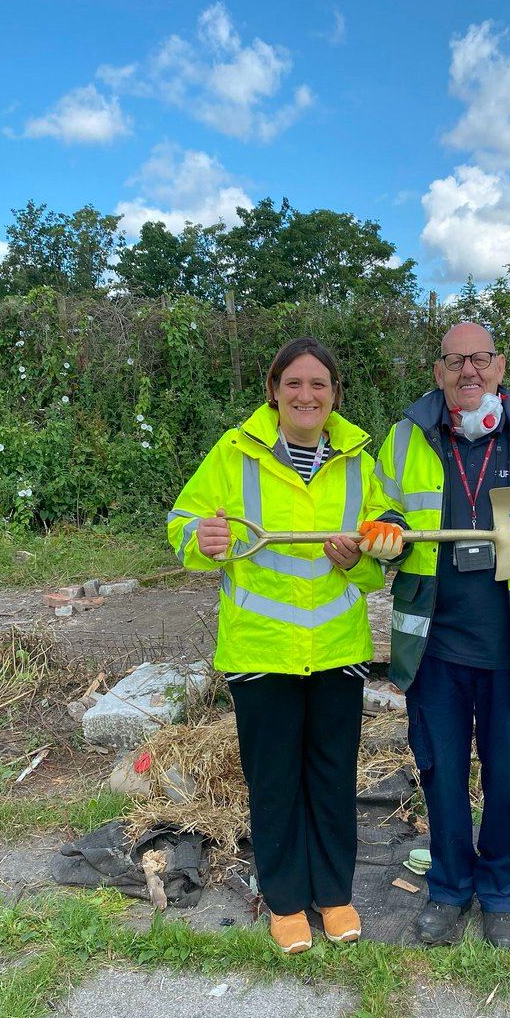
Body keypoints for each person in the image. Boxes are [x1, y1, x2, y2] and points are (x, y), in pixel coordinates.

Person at [167, 336, 401, 955]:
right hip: (260, 651)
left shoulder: (357, 460)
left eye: (318, 384)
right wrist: (205, 538)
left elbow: (383, 555)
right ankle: (287, 901)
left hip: (336, 649)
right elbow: (183, 526)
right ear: (273, 391)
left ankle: (335, 895)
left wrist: (364, 554)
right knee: (273, 781)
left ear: (334, 395)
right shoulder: (234, 453)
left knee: (331, 776)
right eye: (293, 383)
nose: (306, 394)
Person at [373, 322, 510, 949]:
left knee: (509, 779)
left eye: (481, 359)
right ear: (438, 372)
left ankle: (500, 893)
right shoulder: (407, 437)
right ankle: (448, 889)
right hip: (433, 646)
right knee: (440, 777)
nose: (469, 371)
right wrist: (382, 528)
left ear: (500, 366)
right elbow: (379, 505)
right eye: (455, 360)